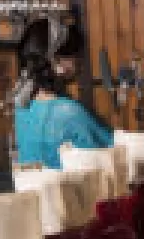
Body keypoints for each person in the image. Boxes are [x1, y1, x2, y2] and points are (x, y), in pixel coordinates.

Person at [12, 17, 113, 169]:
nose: (80, 60)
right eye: (74, 53)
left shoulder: (22, 105)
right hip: (68, 191)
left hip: (33, 190)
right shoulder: (68, 111)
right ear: (56, 60)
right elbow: (110, 153)